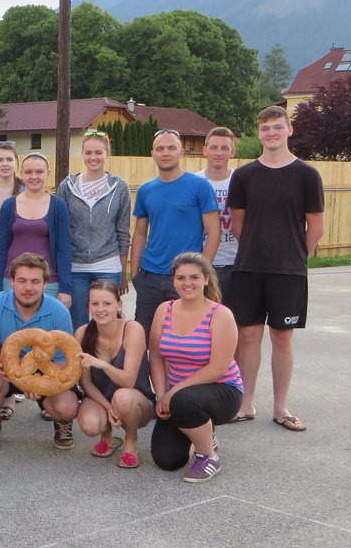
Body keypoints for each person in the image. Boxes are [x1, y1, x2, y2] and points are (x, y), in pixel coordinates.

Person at [228, 106, 325, 430]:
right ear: (259, 133)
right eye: (265, 128)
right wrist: (258, 250)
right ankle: (245, 404)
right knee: (248, 336)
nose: (271, 133)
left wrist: (295, 256)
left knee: (282, 338)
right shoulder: (244, 175)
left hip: (288, 272)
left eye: (277, 127)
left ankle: (281, 408)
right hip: (249, 268)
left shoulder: (307, 175)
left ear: (289, 129)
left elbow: (316, 227)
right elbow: (238, 225)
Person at [148, 253, 243, 482]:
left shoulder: (220, 315)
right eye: (181, 278)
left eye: (194, 277)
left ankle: (208, 457)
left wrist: (173, 393)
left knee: (185, 400)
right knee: (167, 460)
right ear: (173, 281)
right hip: (179, 396)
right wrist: (161, 396)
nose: (187, 283)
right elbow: (156, 356)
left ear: (206, 279)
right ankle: (203, 432)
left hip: (222, 390)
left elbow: (217, 368)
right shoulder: (164, 310)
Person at [0, 253, 76, 453]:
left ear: (45, 284)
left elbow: (63, 363)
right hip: (5, 368)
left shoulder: (59, 312)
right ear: (11, 281)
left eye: (35, 281)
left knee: (67, 407)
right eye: (22, 280)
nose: (28, 287)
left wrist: (37, 380)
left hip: (45, 369)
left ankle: (62, 422)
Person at [129, 129, 219, 334]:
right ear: (152, 154)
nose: (165, 153)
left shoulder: (200, 186)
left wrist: (201, 272)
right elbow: (140, 233)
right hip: (150, 276)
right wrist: (135, 274)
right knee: (143, 335)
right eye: (160, 149)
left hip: (184, 276)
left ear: (181, 152)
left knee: (183, 335)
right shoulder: (145, 190)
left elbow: (214, 232)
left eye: (171, 148)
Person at [75, 279, 154, 469]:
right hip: (101, 399)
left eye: (107, 303)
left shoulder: (132, 329)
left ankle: (131, 439)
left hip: (135, 401)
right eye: (95, 303)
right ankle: (106, 434)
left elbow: (128, 381)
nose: (100, 309)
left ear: (119, 305)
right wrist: (108, 407)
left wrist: (102, 365)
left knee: (123, 397)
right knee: (90, 425)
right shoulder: (82, 333)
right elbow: (86, 384)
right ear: (88, 306)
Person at [57, 130, 132, 328]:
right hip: (75, 266)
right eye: (88, 152)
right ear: (82, 154)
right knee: (77, 322)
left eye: (98, 152)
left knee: (108, 321)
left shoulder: (119, 187)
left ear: (107, 153)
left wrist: (123, 271)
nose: (93, 157)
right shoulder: (67, 186)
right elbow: (60, 231)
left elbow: (123, 232)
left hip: (108, 263)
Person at [0, 153, 72, 308]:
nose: (34, 176)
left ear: (48, 173)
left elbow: (64, 249)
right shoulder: (9, 205)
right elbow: (0, 248)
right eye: (28, 172)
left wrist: (65, 289)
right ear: (21, 174)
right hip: (12, 281)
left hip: (49, 283)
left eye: (39, 172)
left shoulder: (58, 206)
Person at [197, 127, 238, 300]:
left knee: (234, 315)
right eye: (213, 147)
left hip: (235, 262)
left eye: (224, 148)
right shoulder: (194, 182)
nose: (219, 153)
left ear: (232, 152)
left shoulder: (241, 181)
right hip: (201, 261)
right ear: (204, 150)